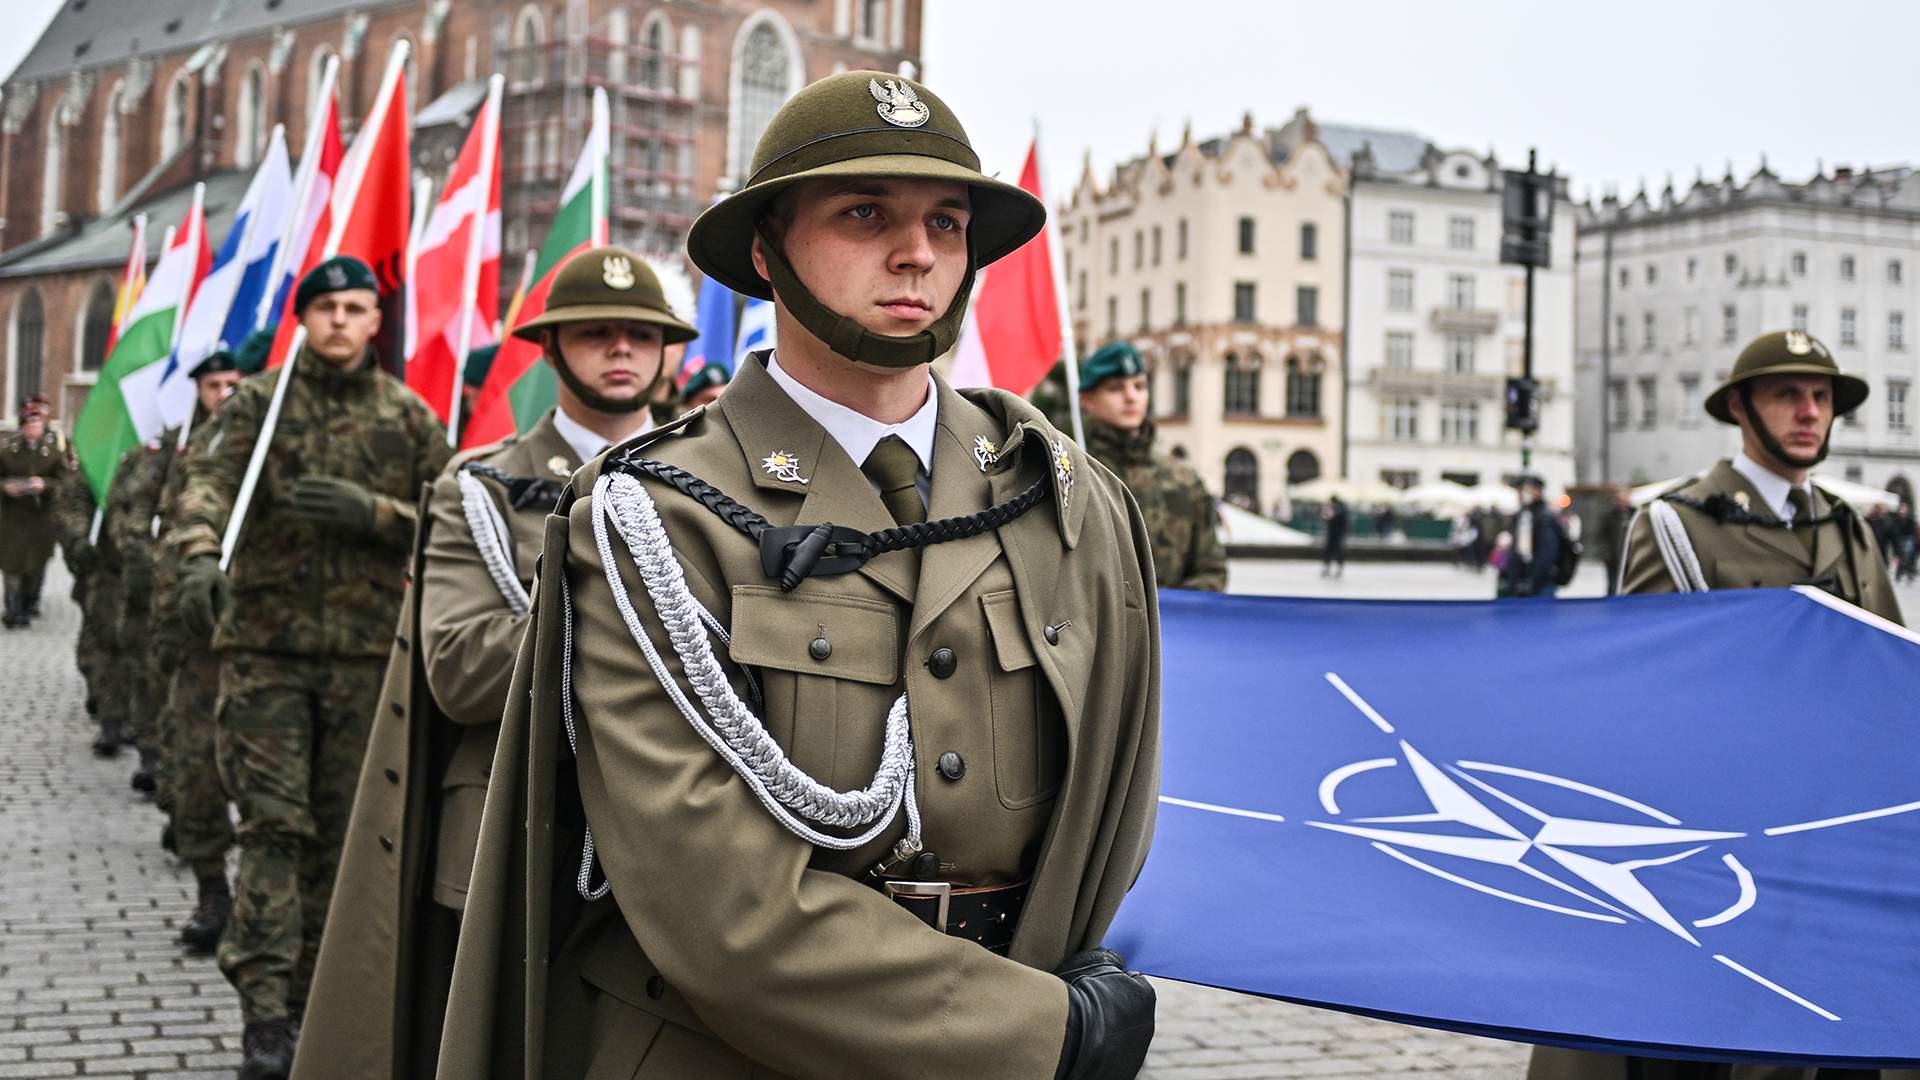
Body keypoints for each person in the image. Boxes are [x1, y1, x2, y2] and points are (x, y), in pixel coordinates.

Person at [435, 70, 1161, 1080]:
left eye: (947, 221)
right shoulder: (655, 514)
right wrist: (1045, 1034)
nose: (917, 252)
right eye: (866, 212)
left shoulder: (1062, 495)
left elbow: (1112, 792)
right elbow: (718, 907)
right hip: (721, 1048)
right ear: (768, 251)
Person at [293, 247, 697, 1080]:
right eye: (595, 333)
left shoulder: (712, 489)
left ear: (668, 353)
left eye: (640, 333)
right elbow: (458, 668)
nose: (621, 348)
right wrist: (616, 608)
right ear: (551, 349)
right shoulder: (478, 486)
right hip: (514, 841)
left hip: (681, 842)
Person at [1530, 330, 1901, 1080]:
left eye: (1821, 397)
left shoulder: (1849, 528)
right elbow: (1650, 696)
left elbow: (1892, 675)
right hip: (1736, 841)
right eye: (1786, 394)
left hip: (1837, 838)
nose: (1808, 413)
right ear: (1740, 408)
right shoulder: (1678, 525)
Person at [170, 256, 452, 1080]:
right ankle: (263, 1014)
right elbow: (205, 488)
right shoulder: (256, 408)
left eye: (356, 308)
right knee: (271, 829)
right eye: (325, 306)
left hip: (367, 662)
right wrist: (195, 556)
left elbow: (458, 522)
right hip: (264, 655)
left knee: (341, 843)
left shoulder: (407, 416)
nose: (339, 320)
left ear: (375, 322)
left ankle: (310, 1000)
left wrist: (379, 514)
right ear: (305, 319)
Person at [149, 341, 252, 952]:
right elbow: (169, 536)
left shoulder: (270, 447)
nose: (225, 396)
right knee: (197, 770)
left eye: (234, 384)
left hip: (269, 637)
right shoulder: (184, 457)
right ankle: (213, 892)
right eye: (215, 387)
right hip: (199, 638)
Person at [1077, 341, 1226, 591]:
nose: (1131, 397)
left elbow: (1211, 570)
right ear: (1088, 400)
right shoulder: (1073, 477)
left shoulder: (1183, 481)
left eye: (1139, 386)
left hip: (1173, 626)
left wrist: (1173, 611)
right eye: (1115, 388)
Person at [0, 395, 74, 627]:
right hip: (12, 517)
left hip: (40, 518)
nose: (34, 428)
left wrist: (45, 485)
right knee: (11, 565)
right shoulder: (7, 450)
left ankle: (29, 603)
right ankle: (13, 611)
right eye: (30, 425)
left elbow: (66, 483)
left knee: (35, 565)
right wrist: (6, 488)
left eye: (38, 424)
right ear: (22, 427)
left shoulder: (53, 451)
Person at [1500, 475, 1564, 598]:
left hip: (1539, 585)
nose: (1520, 495)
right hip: (1522, 581)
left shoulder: (1544, 517)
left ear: (1536, 491)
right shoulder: (1523, 514)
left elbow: (1547, 553)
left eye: (1524, 491)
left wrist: (1532, 582)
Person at [1593, 487, 1634, 595]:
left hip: (1631, 559)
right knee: (1613, 586)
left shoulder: (1634, 514)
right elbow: (1601, 536)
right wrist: (1607, 555)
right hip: (1614, 560)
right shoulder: (1609, 516)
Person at [1321, 494, 1349, 577]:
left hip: (1337, 533)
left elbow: (1331, 517)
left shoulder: (1339, 508)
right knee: (1332, 551)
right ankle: (1330, 568)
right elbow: (1326, 517)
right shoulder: (1338, 508)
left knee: (1336, 551)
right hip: (1335, 533)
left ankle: (1334, 569)